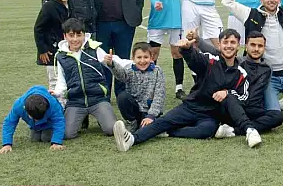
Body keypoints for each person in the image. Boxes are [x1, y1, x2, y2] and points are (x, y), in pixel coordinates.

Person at [113, 29, 265, 150]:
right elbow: (195, 60)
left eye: (233, 42)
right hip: (191, 106)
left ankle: (169, 132)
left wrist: (228, 92)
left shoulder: (241, 73)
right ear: (219, 45)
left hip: (211, 115)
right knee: (164, 121)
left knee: (205, 131)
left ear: (239, 46)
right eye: (225, 42)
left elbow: (243, 97)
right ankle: (132, 139)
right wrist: (187, 50)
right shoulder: (210, 60)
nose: (229, 45)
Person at [193, 30, 283, 139]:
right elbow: (215, 52)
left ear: (264, 48)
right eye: (252, 45)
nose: (256, 49)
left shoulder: (268, 67)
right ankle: (251, 126)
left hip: (254, 109)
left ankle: (233, 131)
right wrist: (198, 40)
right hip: (235, 107)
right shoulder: (238, 61)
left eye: (260, 46)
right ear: (246, 46)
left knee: (277, 116)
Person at [53, 18, 129, 139]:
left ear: (84, 35)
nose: (75, 39)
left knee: (111, 129)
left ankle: (103, 116)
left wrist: (134, 63)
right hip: (75, 102)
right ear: (65, 36)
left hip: (98, 99)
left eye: (79, 35)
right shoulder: (61, 56)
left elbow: (113, 59)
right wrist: (56, 93)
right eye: (71, 35)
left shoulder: (94, 49)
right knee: (67, 134)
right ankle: (81, 118)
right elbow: (61, 81)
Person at [93, 0, 145, 99]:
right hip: (101, 23)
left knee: (122, 61)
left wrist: (134, 13)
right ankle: (104, 95)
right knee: (103, 60)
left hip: (124, 24)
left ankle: (122, 95)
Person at [143, 0, 185, 99]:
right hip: (157, 21)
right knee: (153, 55)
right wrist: (156, 2)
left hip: (175, 20)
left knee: (177, 53)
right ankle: (152, 87)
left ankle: (179, 88)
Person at [103, 42, 166, 133]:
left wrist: (151, 115)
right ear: (133, 58)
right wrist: (111, 64)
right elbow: (120, 75)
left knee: (148, 130)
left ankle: (148, 123)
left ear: (151, 58)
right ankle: (132, 122)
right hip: (135, 109)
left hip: (149, 111)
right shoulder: (130, 70)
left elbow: (159, 95)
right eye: (139, 57)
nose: (142, 61)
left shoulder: (157, 71)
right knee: (122, 96)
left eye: (146, 57)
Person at [34, 0, 73, 97]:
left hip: (66, 48)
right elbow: (38, 28)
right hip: (51, 50)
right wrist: (42, 49)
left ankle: (68, 106)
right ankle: (57, 108)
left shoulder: (70, 5)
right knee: (54, 81)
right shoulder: (49, 6)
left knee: (67, 79)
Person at [0, 86, 66, 154]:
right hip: (34, 126)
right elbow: (9, 122)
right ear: (25, 109)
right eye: (34, 118)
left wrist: (56, 142)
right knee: (35, 139)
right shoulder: (18, 106)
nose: (37, 120)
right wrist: (6, 144)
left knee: (45, 138)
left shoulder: (53, 104)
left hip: (49, 123)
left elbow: (59, 121)